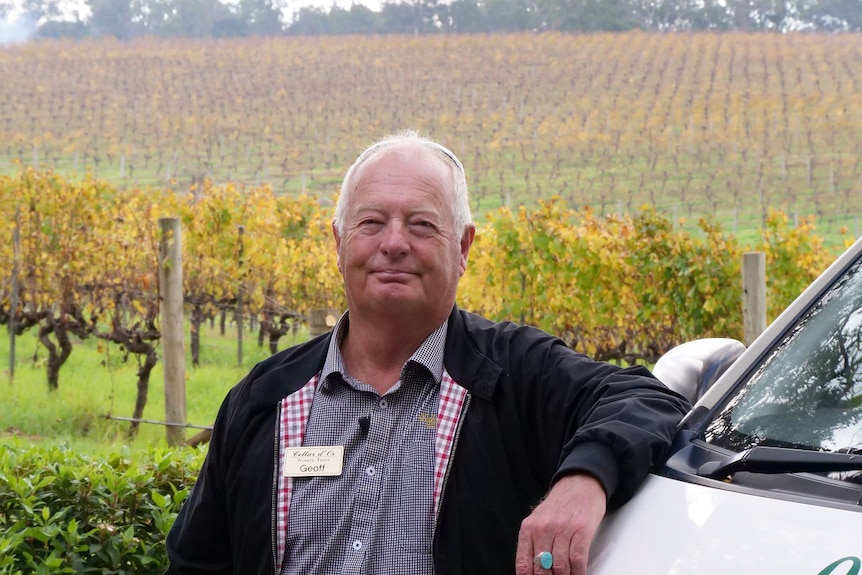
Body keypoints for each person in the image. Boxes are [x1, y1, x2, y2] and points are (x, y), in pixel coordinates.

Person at [165, 130, 691, 575]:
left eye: (421, 224)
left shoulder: (516, 372)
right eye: (371, 222)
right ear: (338, 243)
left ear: (462, 248)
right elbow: (197, 563)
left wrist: (584, 480)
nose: (394, 243)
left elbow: (646, 397)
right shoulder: (264, 398)